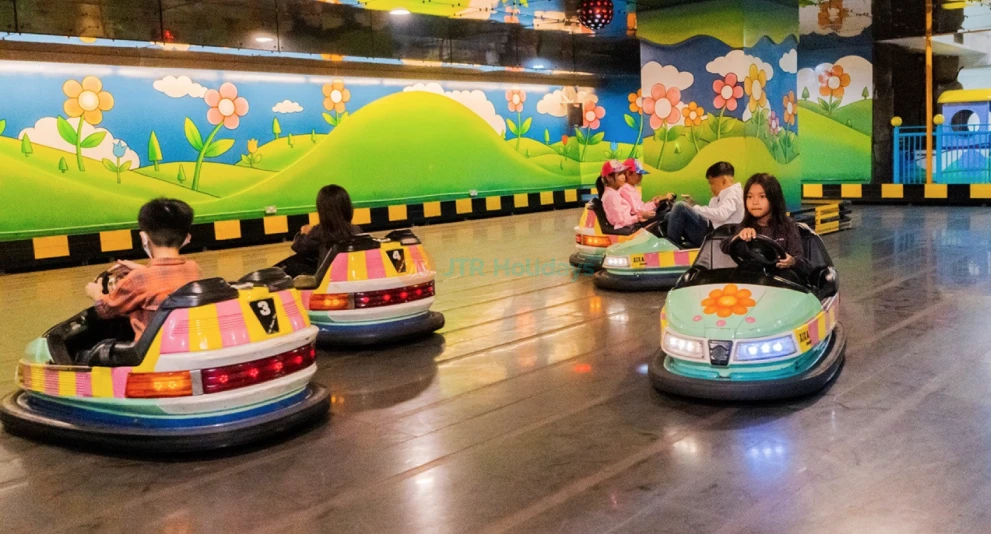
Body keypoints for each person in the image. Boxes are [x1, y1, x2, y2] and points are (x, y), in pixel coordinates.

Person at [84, 198, 201, 339]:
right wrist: (143, 269)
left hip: (150, 348)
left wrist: (95, 293)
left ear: (144, 237)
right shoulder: (193, 268)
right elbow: (166, 280)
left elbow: (106, 309)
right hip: (183, 341)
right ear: (187, 238)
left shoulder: (137, 279)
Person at [723, 173, 810, 274]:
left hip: (781, 279)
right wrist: (739, 237)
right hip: (752, 279)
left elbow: (803, 263)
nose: (754, 202)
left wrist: (792, 261)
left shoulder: (788, 225)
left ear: (774, 198)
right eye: (749, 197)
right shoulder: (746, 225)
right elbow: (725, 245)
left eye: (762, 196)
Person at [281, 184, 361, 277]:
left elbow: (298, 247)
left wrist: (304, 233)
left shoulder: (319, 232)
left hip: (327, 280)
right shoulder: (356, 230)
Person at [663, 161, 744, 248]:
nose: (710, 188)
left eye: (712, 183)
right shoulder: (720, 197)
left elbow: (722, 214)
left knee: (680, 207)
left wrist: (694, 208)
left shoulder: (734, 193)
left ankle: (672, 248)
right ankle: (680, 245)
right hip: (712, 232)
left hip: (719, 236)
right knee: (670, 215)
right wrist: (693, 207)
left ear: (723, 181)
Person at [597, 160, 651, 229]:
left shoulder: (614, 193)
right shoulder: (611, 196)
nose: (623, 177)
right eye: (620, 174)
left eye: (623, 173)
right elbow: (620, 221)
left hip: (628, 226)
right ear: (608, 177)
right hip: (624, 230)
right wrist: (639, 217)